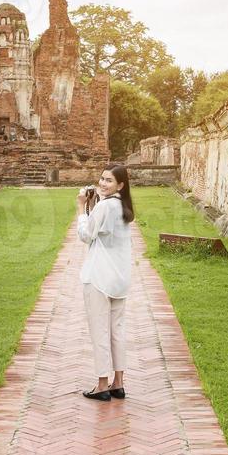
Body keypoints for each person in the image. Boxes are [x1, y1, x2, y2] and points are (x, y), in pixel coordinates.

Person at [75, 164, 134, 402]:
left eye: (108, 181)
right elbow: (101, 231)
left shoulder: (105, 206)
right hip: (119, 278)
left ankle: (102, 384)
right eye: (101, 179)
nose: (102, 183)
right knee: (117, 331)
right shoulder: (123, 206)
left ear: (120, 185)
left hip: (99, 277)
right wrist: (93, 205)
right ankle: (118, 381)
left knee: (100, 330)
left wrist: (81, 207)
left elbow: (86, 234)